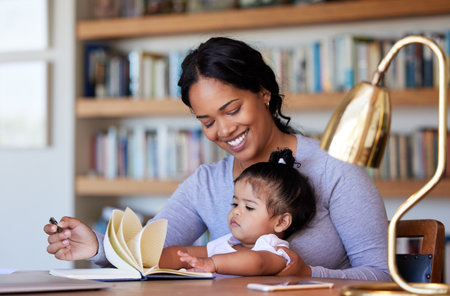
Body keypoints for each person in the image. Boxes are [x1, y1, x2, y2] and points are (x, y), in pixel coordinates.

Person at [45, 36, 390, 280]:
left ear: (264, 93)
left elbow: (383, 275)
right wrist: (97, 247)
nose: (223, 130)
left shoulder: (334, 170)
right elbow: (150, 251)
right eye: (207, 122)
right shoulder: (206, 183)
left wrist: (307, 274)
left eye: (232, 110)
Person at [158, 148, 316, 275]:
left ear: (281, 222)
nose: (236, 212)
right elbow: (185, 253)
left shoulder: (274, 249)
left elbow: (257, 262)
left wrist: (212, 263)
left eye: (249, 207)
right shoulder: (227, 243)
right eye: (234, 204)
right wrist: (153, 259)